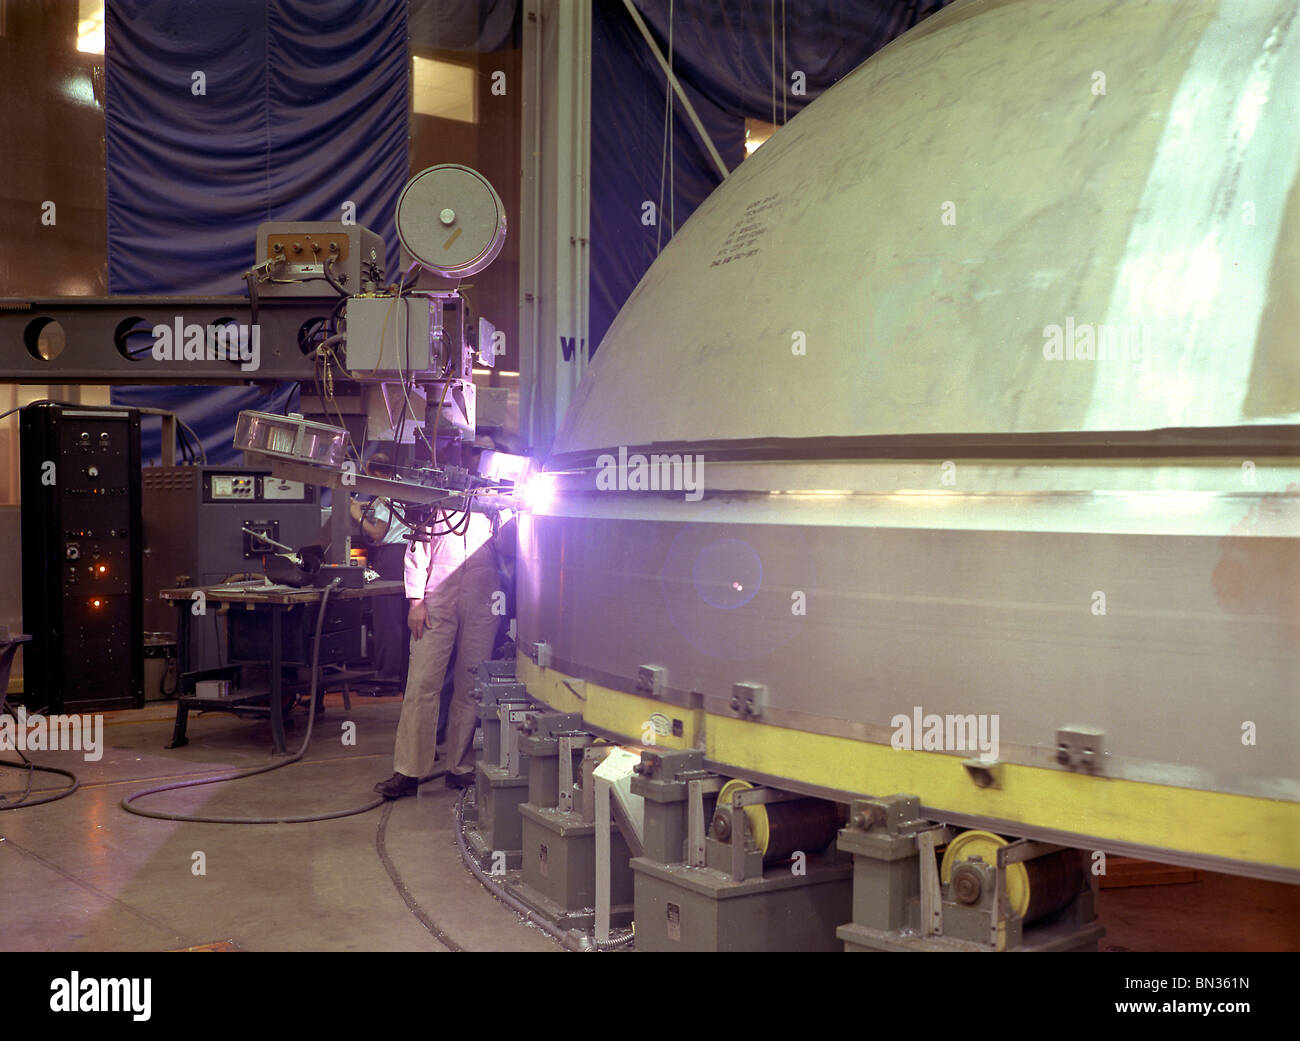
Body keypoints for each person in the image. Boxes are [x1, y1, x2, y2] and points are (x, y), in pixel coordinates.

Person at [373, 444, 507, 798]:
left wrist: (509, 507)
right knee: (423, 682)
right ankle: (408, 770)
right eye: (475, 456)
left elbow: (510, 547)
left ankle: (459, 766)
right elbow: (416, 545)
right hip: (437, 594)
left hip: (483, 594)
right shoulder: (438, 496)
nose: (480, 464)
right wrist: (415, 599)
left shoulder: (496, 503)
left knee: (470, 681)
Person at [349, 449, 412, 685]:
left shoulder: (386, 492)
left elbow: (378, 532)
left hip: (391, 557)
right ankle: (403, 674)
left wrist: (356, 514)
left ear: (372, 473)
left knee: (388, 619)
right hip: (408, 556)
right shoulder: (403, 488)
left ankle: (387, 677)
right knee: (402, 619)